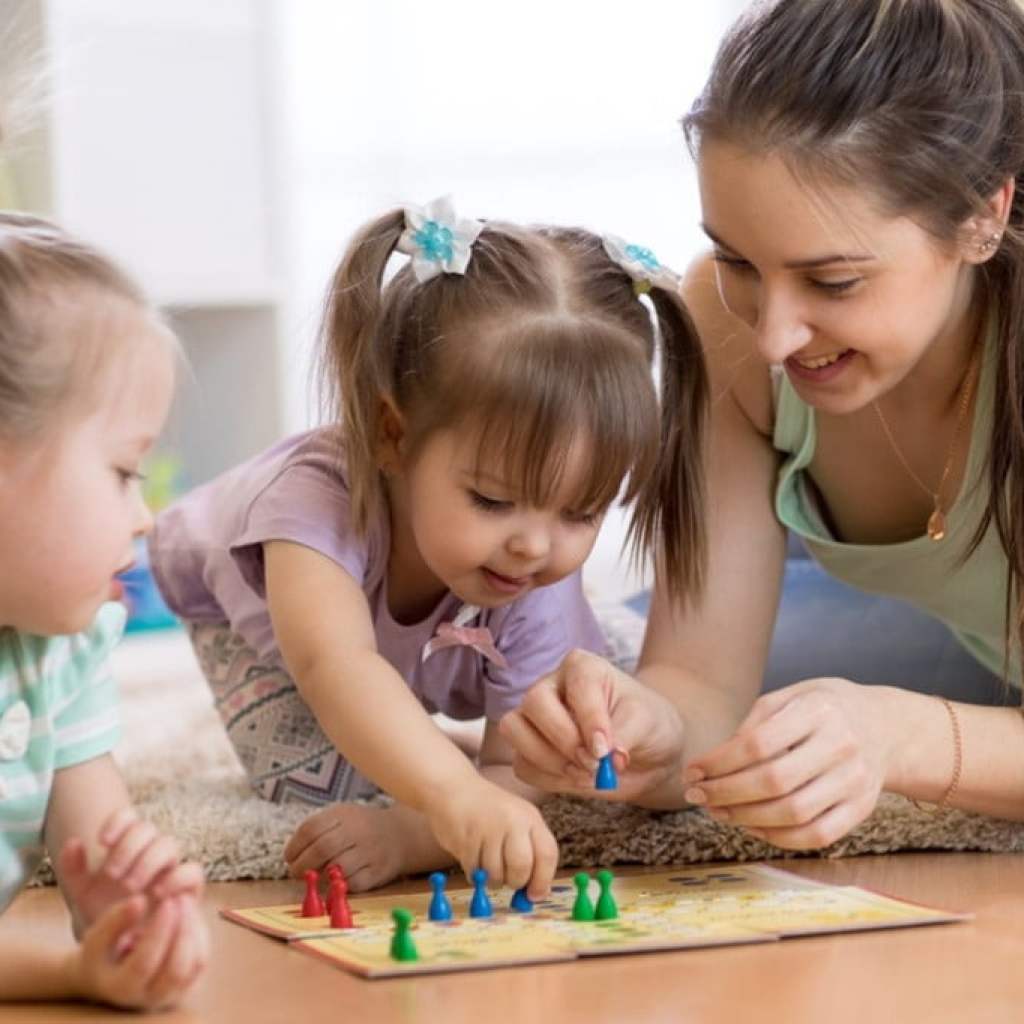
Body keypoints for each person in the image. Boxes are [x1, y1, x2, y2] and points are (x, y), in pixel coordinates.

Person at [501, 0, 1024, 850]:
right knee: (622, 673)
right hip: (964, 639)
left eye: (836, 282)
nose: (774, 338)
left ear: (982, 217)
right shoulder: (725, 319)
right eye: (740, 260)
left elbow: (886, 734)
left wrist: (901, 736)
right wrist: (650, 732)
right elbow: (701, 686)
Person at [148, 197, 708, 896]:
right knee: (315, 785)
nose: (535, 545)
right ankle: (425, 745)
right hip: (259, 614)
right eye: (493, 499)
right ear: (394, 435)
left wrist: (420, 833)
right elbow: (335, 666)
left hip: (456, 625)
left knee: (585, 720)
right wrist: (449, 795)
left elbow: (515, 773)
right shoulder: (307, 507)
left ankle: (442, 731)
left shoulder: (530, 568)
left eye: (581, 511)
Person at [0, 213, 208, 1009]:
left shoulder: (67, 646)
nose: (145, 514)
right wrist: (65, 975)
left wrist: (139, 916)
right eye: (125, 470)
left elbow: (99, 867)